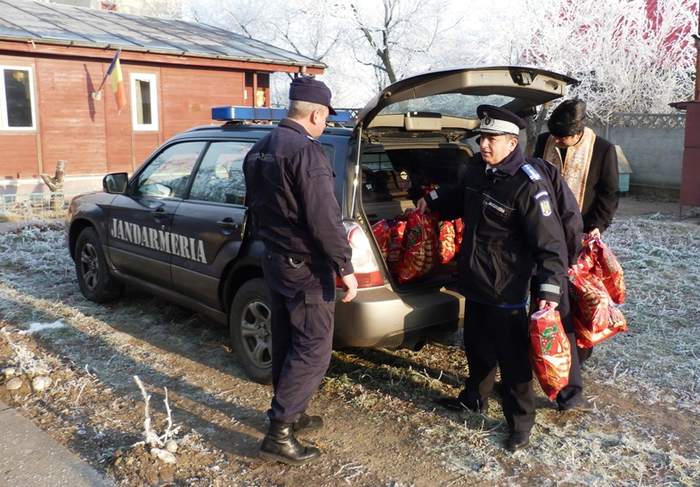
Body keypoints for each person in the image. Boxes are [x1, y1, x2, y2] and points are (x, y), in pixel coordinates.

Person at [417, 105, 569, 452]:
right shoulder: (479, 170)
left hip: (506, 289)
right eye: (482, 138)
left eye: (491, 139)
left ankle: (520, 422)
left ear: (512, 143)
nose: (483, 144)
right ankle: (473, 398)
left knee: (513, 360)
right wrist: (431, 200)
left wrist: (549, 291)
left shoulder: (528, 184)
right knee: (477, 348)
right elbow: (458, 196)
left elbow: (551, 243)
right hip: (475, 281)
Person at [243, 76, 358, 465]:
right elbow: (325, 219)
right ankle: (279, 433)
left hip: (275, 260)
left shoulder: (260, 148)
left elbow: (254, 205)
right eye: (326, 118)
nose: (325, 123)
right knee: (313, 350)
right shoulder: (307, 153)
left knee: (288, 341)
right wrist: (345, 266)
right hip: (306, 267)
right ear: (317, 114)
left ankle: (294, 412)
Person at [534, 99, 619, 362]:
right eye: (555, 136)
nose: (557, 141)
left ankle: (577, 352)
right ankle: (540, 345)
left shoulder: (602, 149)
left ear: (578, 132)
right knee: (544, 290)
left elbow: (609, 193)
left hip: (580, 235)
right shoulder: (544, 142)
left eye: (563, 138)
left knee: (578, 296)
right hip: (544, 231)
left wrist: (597, 226)